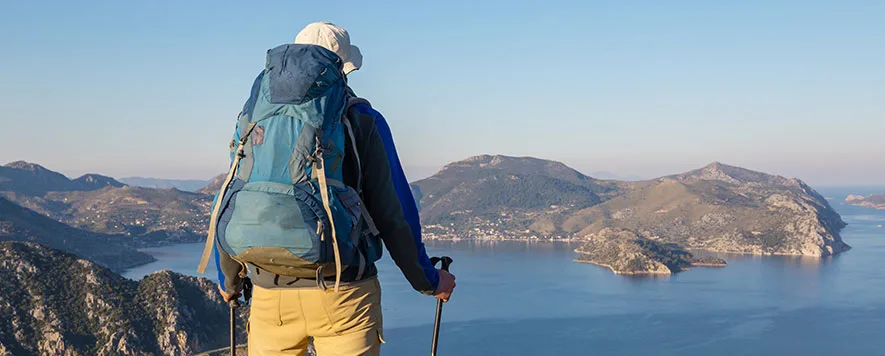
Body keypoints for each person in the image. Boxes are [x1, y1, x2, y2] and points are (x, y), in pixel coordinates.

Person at [212, 22, 456, 356]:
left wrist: (229, 280)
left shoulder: (254, 120)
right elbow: (393, 212)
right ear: (343, 69)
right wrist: (428, 281)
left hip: (270, 294)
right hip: (344, 295)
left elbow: (232, 196)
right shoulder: (362, 119)